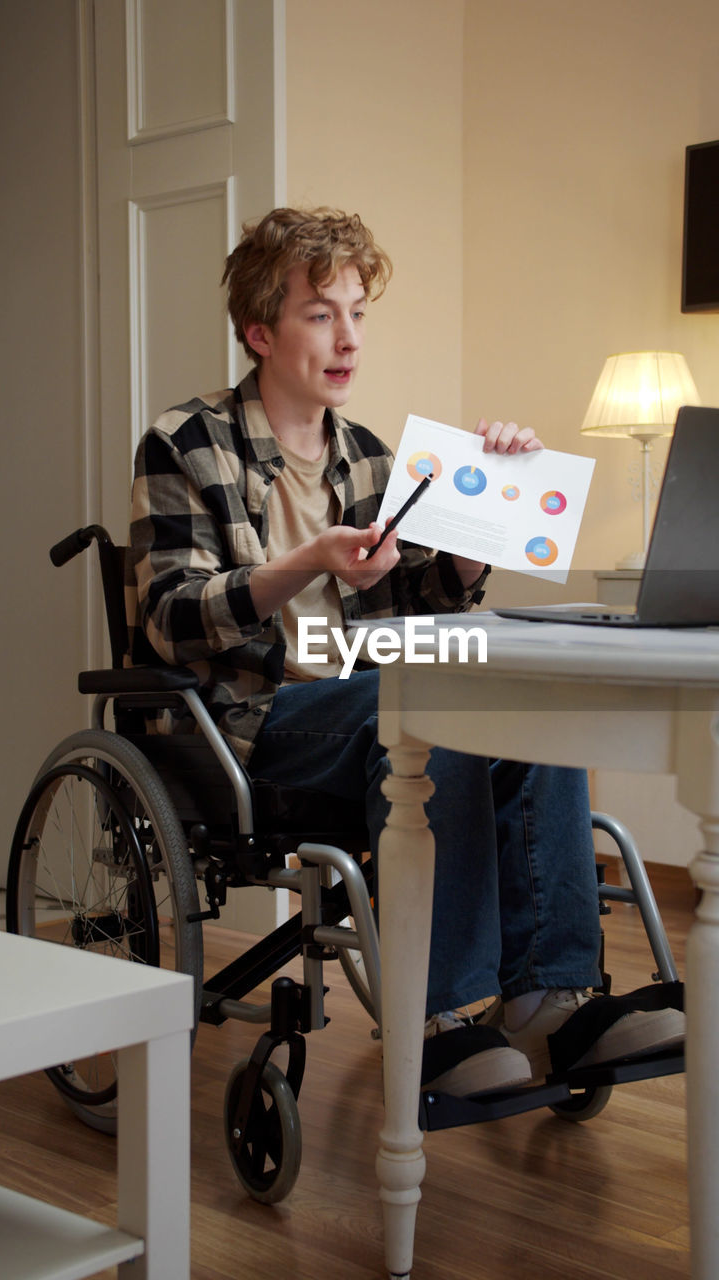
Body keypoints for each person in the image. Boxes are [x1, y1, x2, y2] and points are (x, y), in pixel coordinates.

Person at [128, 207, 684, 1095]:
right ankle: (443, 1014)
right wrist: (307, 560)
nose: (347, 338)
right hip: (251, 717)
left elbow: (421, 601)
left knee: (520, 695)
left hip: (357, 691)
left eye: (356, 313)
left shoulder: (374, 458)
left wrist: (476, 539)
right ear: (259, 333)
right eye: (321, 315)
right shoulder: (187, 442)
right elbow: (171, 615)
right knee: (434, 711)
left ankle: (552, 998)